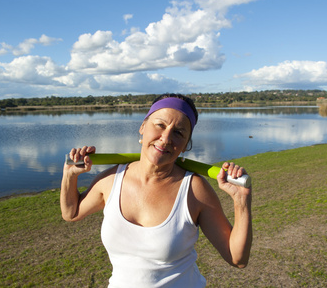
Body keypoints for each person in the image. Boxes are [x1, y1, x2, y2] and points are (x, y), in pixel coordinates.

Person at [60, 93, 252, 287]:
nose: (166, 138)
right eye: (160, 125)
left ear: (186, 145)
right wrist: (70, 175)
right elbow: (71, 212)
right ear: (142, 127)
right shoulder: (111, 180)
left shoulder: (195, 190)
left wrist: (241, 201)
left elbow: (237, 258)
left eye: (179, 133)